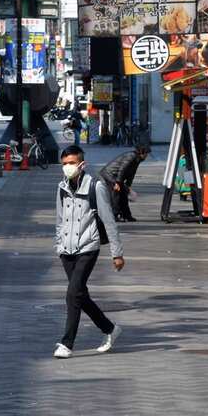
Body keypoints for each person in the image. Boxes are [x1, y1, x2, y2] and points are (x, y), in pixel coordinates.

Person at [54, 145, 124, 359]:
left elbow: (109, 221)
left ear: (82, 164)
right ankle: (110, 329)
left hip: (87, 247)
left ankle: (66, 344)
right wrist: (58, 245)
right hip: (67, 250)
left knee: (72, 294)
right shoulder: (61, 188)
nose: (68, 167)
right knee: (80, 295)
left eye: (72, 163)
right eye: (65, 164)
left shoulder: (95, 187)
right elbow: (59, 219)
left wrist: (116, 253)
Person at [101, 144, 149, 223]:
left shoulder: (137, 159)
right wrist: (117, 183)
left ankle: (126, 215)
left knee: (124, 194)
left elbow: (132, 173)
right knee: (116, 195)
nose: (147, 156)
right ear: (141, 152)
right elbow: (122, 169)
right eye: (146, 154)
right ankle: (115, 215)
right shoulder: (131, 157)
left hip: (117, 177)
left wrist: (128, 185)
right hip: (111, 175)